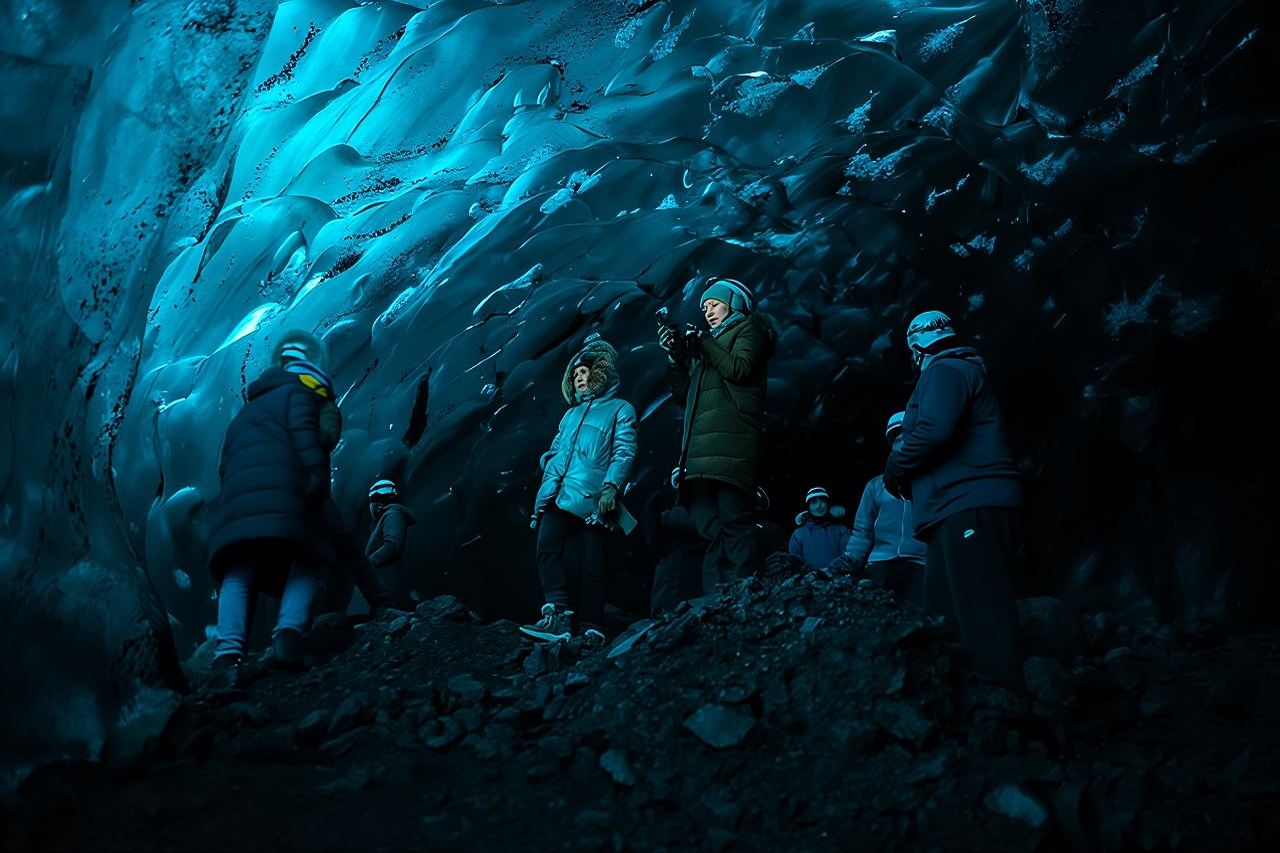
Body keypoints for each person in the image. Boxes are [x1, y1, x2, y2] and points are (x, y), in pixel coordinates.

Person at [883, 311, 1025, 691]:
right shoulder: (962, 370)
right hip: (954, 507)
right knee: (949, 612)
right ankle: (980, 709)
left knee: (980, 612)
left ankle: (1004, 709)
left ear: (915, 346)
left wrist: (896, 466)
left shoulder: (944, 371)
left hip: (969, 503)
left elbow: (933, 430)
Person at [206, 331, 337, 680]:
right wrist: (317, 477)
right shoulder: (299, 395)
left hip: (237, 501)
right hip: (284, 492)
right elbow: (305, 438)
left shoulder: (243, 414)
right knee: (309, 560)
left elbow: (224, 465)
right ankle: (288, 636)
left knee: (239, 572)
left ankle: (227, 657)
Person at [660, 277, 777, 592]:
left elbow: (739, 369)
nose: (707, 311)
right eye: (704, 307)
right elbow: (687, 397)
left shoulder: (749, 329)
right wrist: (676, 357)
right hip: (700, 453)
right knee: (710, 526)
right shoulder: (705, 347)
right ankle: (716, 600)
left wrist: (703, 342)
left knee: (734, 520)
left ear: (734, 302)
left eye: (714, 304)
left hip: (733, 445)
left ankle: (744, 595)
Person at [522, 334, 637, 649]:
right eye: (574, 375)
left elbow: (623, 452)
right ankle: (558, 614)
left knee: (592, 563)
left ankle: (592, 628)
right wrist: (549, 461)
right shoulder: (570, 414)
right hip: (559, 491)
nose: (579, 379)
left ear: (599, 373)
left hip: (594, 496)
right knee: (547, 547)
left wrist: (612, 486)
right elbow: (557, 447)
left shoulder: (620, 409)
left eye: (584, 373)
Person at [835, 412, 927, 605]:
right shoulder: (876, 486)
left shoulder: (928, 481)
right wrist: (851, 559)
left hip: (919, 563)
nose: (900, 439)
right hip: (879, 564)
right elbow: (863, 530)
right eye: (895, 436)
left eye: (905, 434)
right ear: (890, 443)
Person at [788, 487, 851, 570]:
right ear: (808, 506)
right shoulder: (798, 534)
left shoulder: (841, 530)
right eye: (814, 502)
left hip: (839, 580)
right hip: (809, 581)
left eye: (823, 501)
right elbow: (794, 563)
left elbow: (850, 556)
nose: (819, 505)